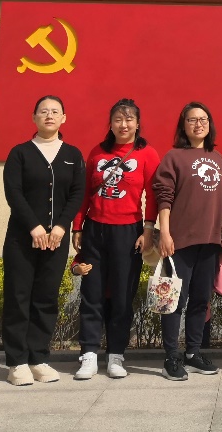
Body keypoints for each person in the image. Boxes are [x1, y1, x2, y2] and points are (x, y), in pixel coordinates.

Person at [71, 98, 160, 380]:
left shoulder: (147, 154)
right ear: (110, 124)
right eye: (118, 120)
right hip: (95, 229)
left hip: (128, 232)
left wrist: (148, 230)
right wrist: (77, 227)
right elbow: (84, 192)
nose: (124, 125)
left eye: (129, 119)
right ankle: (88, 354)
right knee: (92, 293)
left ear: (137, 123)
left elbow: (153, 196)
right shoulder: (97, 152)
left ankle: (116, 355)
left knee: (122, 296)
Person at [0, 95, 85, 386]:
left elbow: (77, 193)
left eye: (55, 111)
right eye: (43, 111)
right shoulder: (20, 153)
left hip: (56, 241)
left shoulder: (72, 154)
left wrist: (61, 227)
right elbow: (13, 193)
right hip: (22, 239)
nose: (49, 115)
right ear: (34, 117)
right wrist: (34, 227)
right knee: (18, 297)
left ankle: (38, 358)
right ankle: (17, 362)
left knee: (46, 299)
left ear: (64, 118)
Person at [154, 101, 222, 381]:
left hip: (210, 241)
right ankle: (171, 357)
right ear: (183, 126)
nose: (198, 124)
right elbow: (164, 197)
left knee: (200, 300)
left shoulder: (217, 157)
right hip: (179, 242)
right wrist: (165, 233)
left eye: (203, 119)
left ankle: (193, 353)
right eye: (192, 120)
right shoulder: (173, 157)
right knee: (173, 300)